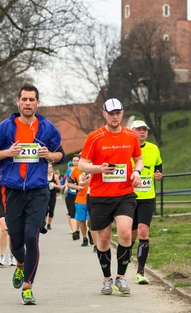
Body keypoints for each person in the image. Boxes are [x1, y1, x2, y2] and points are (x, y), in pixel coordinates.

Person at [0, 83, 65, 305]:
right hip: (12, 191)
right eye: (24, 99)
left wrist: (50, 155)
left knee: (32, 236)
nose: (28, 103)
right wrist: (7, 152)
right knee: (17, 242)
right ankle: (20, 264)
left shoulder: (47, 128)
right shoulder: (4, 128)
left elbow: (61, 154)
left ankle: (28, 288)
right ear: (17, 102)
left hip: (38, 190)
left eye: (32, 100)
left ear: (38, 103)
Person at [78, 98, 143, 296]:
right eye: (111, 113)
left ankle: (121, 278)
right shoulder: (95, 137)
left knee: (125, 234)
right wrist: (99, 168)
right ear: (104, 114)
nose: (115, 117)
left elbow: (138, 159)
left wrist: (137, 172)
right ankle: (107, 279)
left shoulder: (131, 136)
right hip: (99, 196)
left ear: (122, 113)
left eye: (118, 113)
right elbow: (82, 164)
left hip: (124, 194)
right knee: (104, 239)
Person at [129, 119, 163, 285]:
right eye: (138, 129)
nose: (142, 132)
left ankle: (140, 272)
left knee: (143, 231)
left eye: (144, 129)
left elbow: (158, 167)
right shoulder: (126, 148)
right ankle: (126, 256)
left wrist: (158, 175)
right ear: (132, 131)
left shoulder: (153, 148)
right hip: (128, 197)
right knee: (130, 234)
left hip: (147, 197)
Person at [64, 157, 81, 240]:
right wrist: (66, 187)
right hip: (70, 193)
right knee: (72, 213)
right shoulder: (69, 170)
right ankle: (74, 231)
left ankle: (77, 229)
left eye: (77, 161)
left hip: (79, 193)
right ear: (72, 162)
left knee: (78, 213)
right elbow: (67, 180)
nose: (76, 162)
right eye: (74, 161)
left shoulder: (82, 169)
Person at [46, 163, 60, 230]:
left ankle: (49, 224)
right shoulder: (43, 176)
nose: (49, 169)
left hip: (52, 195)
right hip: (44, 195)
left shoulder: (55, 176)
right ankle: (43, 222)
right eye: (48, 168)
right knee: (45, 210)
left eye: (50, 168)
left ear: (52, 168)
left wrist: (54, 185)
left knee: (51, 210)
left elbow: (59, 186)